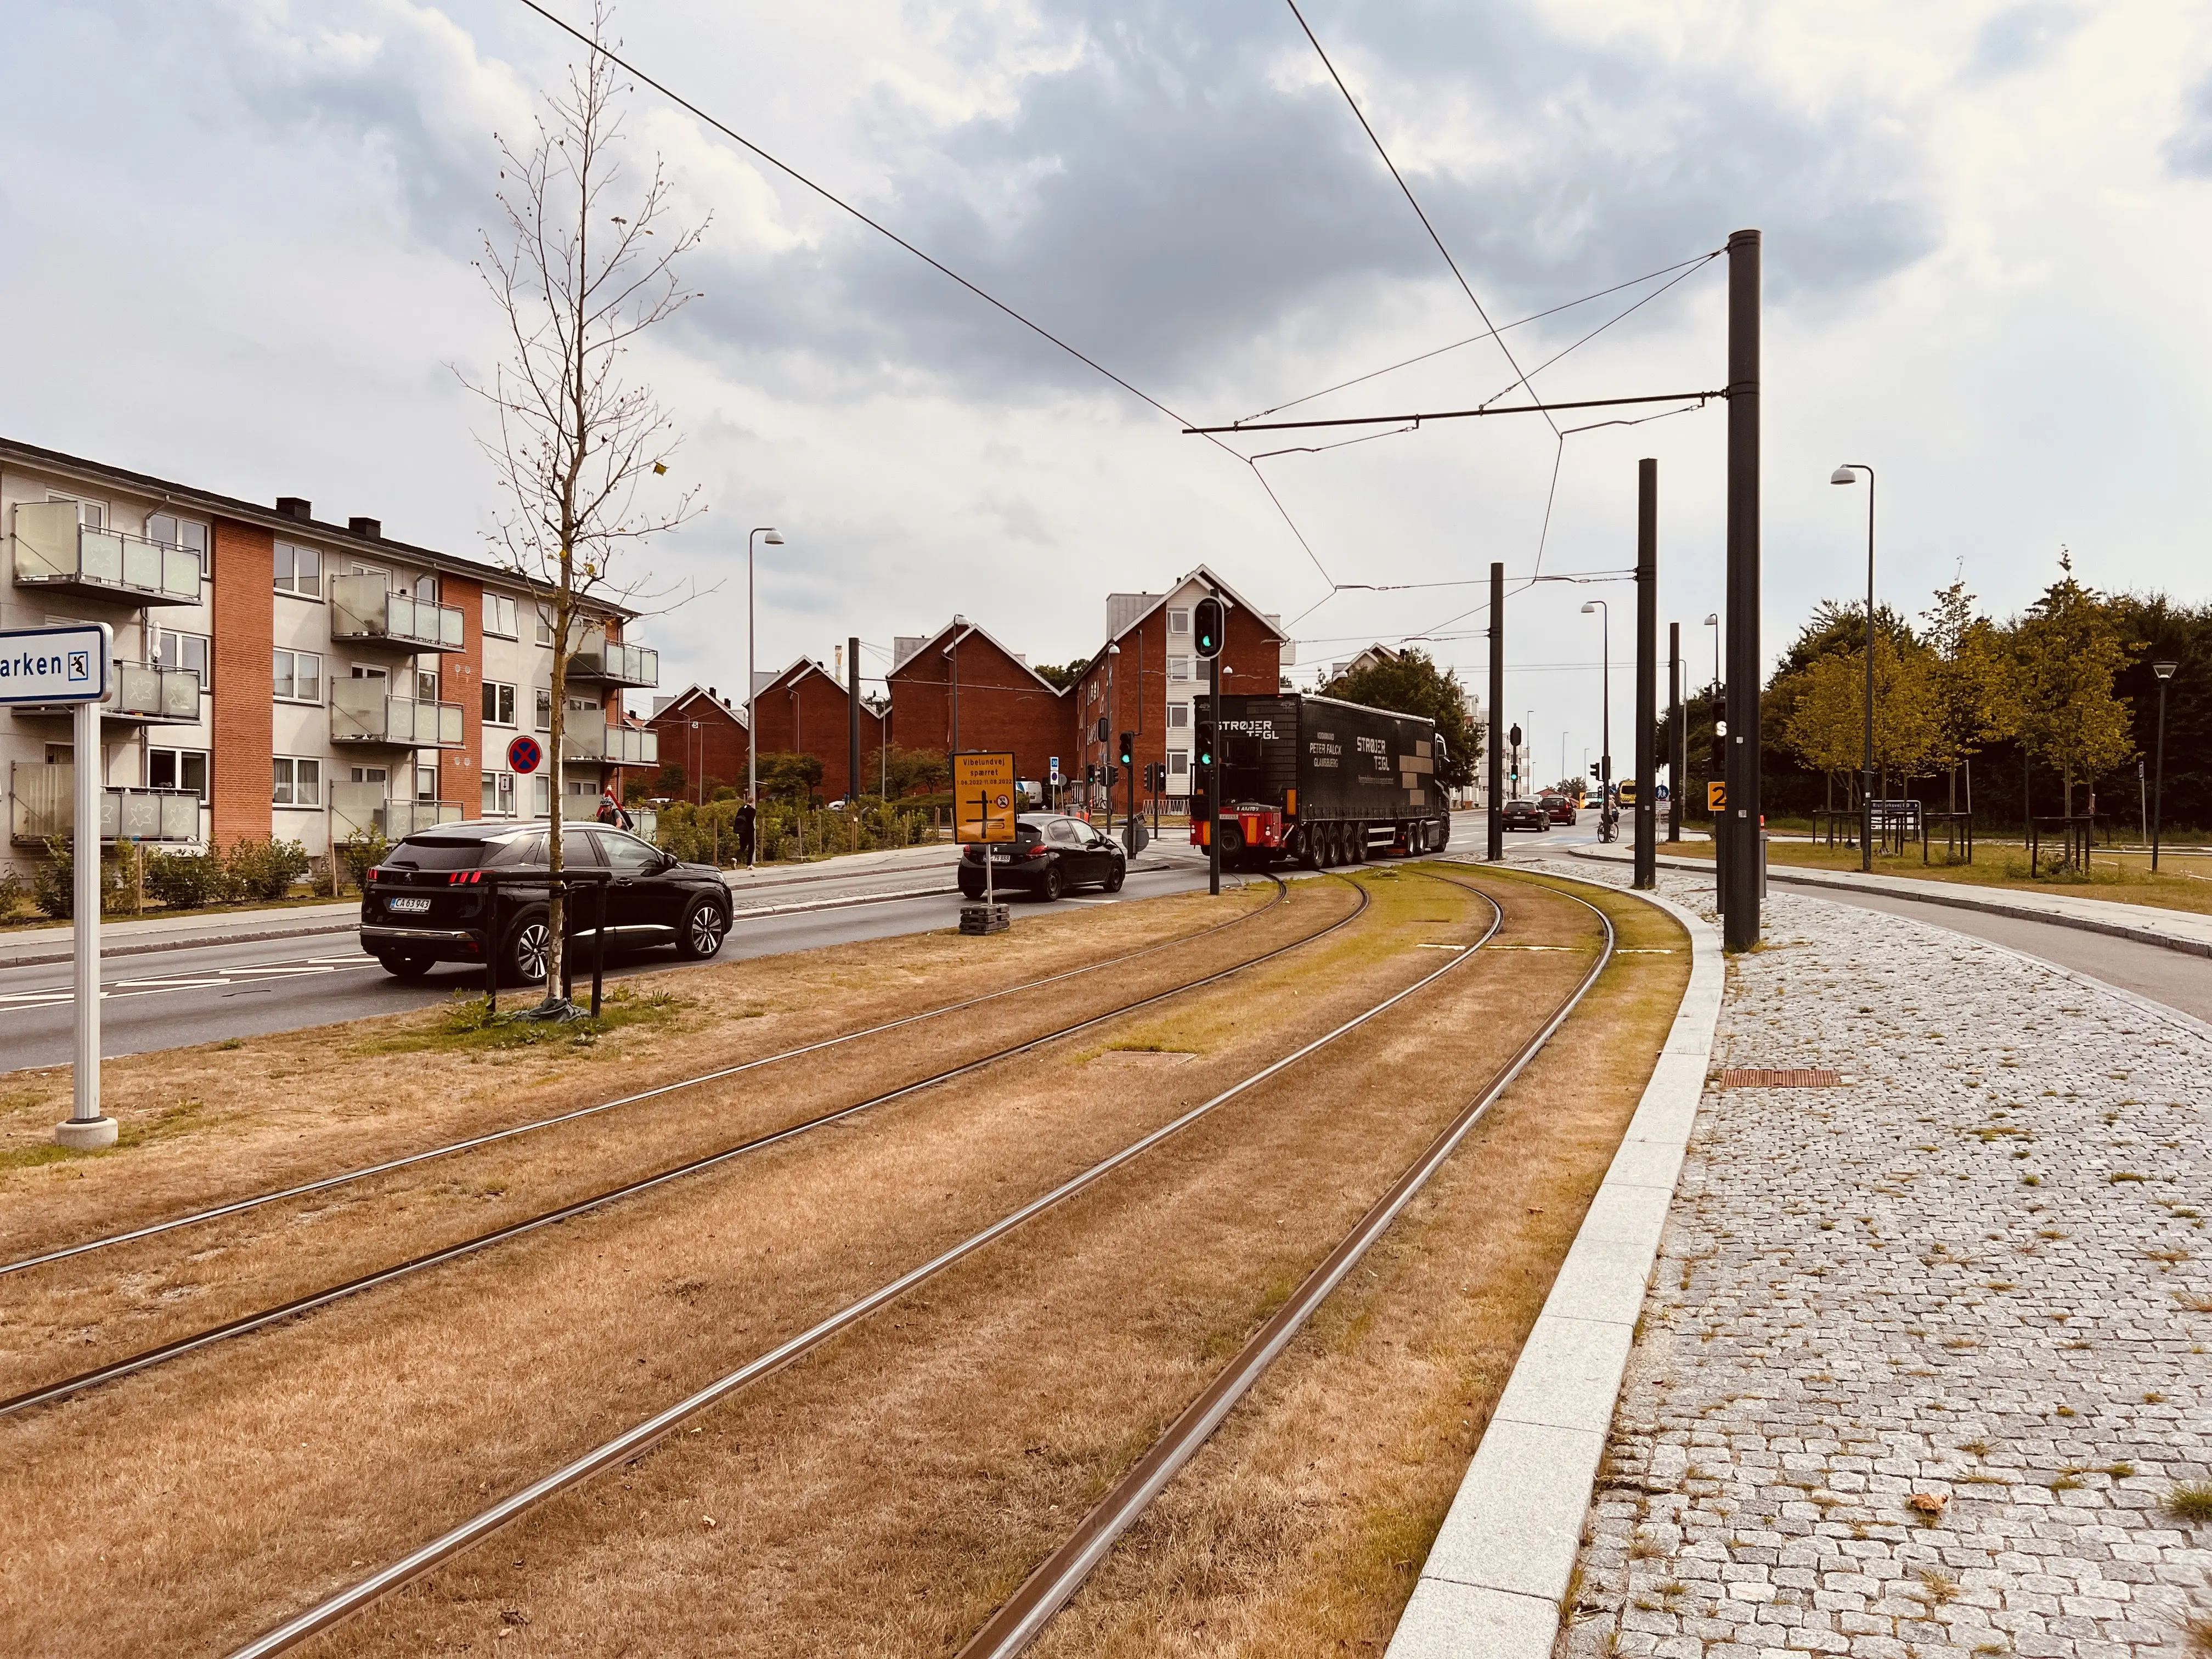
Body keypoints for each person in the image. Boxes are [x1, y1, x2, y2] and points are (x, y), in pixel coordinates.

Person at [737, 800, 757, 865]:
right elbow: (751, 821)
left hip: (741, 831)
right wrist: (753, 829)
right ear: (752, 802)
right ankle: (749, 864)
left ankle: (735, 859)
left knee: (743, 847)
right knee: (752, 847)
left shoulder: (741, 810)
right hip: (749, 831)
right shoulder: (752, 810)